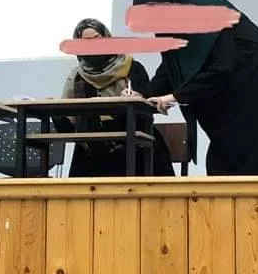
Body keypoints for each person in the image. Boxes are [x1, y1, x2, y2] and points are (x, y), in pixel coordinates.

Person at [132, 0, 258, 176]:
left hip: (256, 81)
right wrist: (143, 96)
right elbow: (172, 67)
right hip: (228, 88)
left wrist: (174, 97)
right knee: (227, 154)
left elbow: (221, 67)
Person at [60, 18, 174, 178]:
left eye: (97, 39)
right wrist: (59, 116)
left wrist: (135, 99)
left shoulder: (131, 67)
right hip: (92, 148)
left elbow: (147, 109)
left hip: (133, 142)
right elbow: (67, 126)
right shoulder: (77, 77)